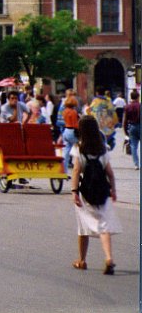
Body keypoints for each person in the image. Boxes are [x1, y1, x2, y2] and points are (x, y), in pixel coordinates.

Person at [71, 115, 119, 274]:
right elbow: (110, 172)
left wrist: (74, 192)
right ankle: (108, 258)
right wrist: (113, 190)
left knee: (83, 227)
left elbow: (76, 171)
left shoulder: (79, 148)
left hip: (86, 192)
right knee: (104, 226)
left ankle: (82, 260)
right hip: (102, 192)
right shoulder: (102, 148)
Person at [122, 90, 139, 170]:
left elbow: (125, 120)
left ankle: (136, 164)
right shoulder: (140, 106)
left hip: (131, 127)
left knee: (133, 146)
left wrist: (125, 131)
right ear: (138, 97)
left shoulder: (127, 107)